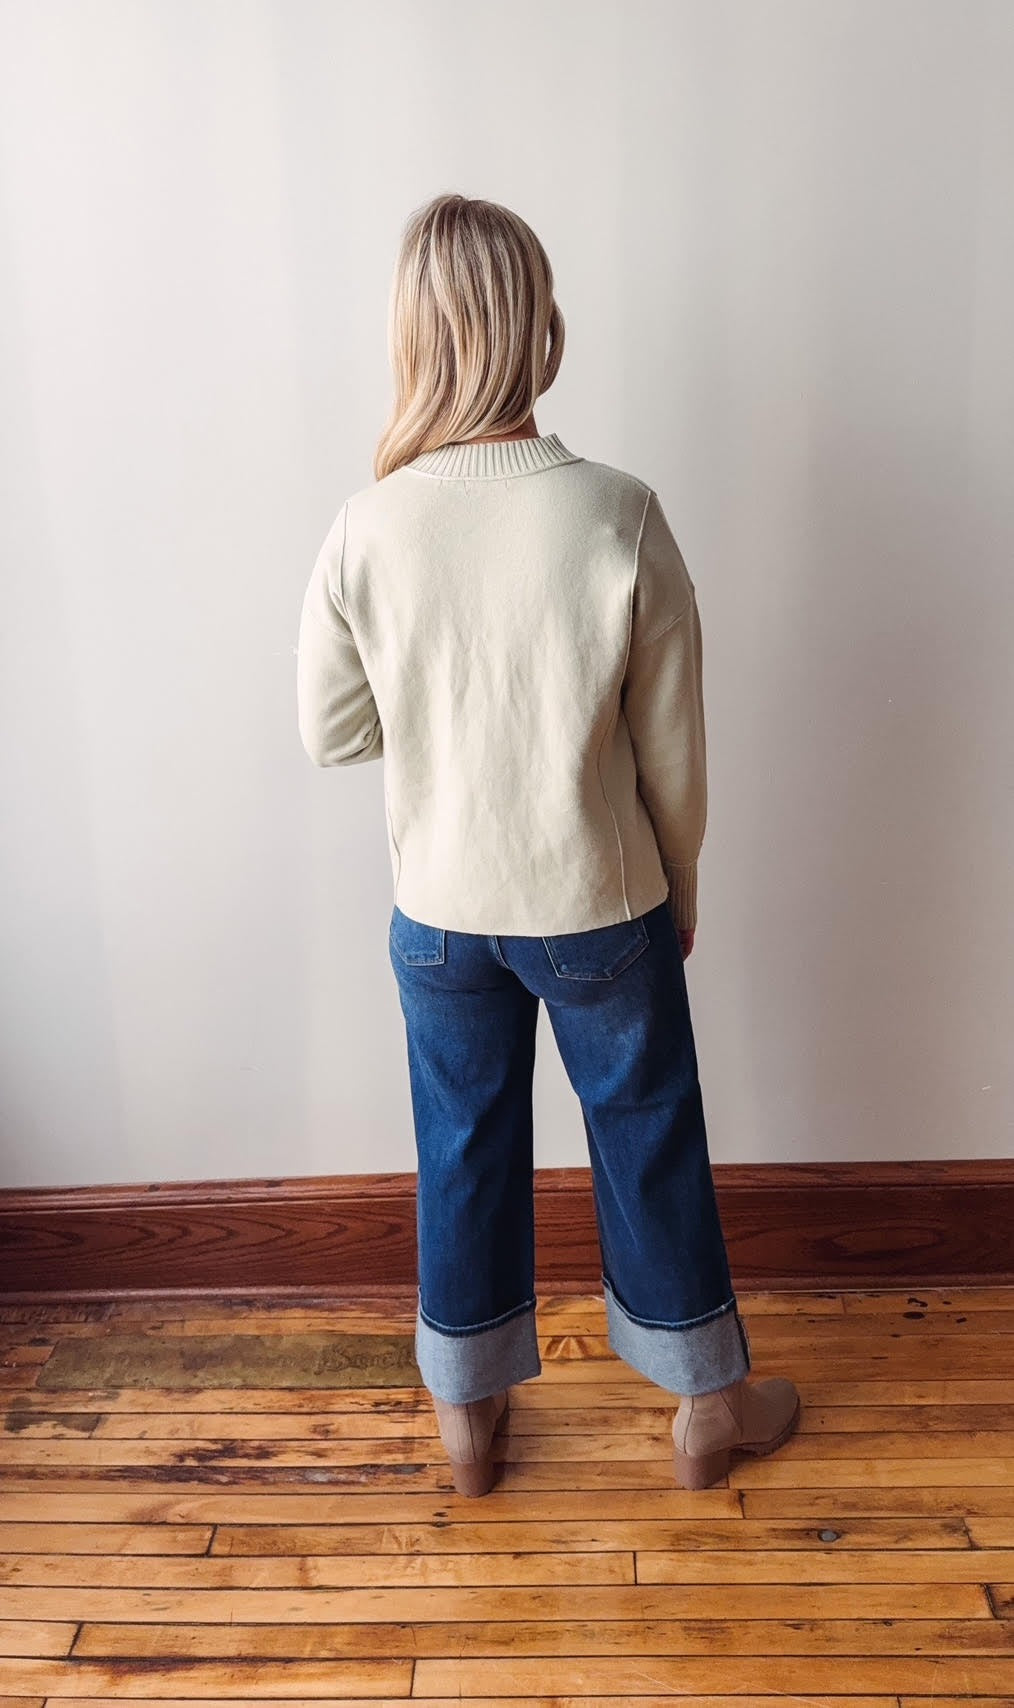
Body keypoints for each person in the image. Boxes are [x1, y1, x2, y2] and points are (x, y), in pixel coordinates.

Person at [296, 191, 800, 1495]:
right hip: (597, 903)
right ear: (544, 329)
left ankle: (468, 1418)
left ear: (413, 336)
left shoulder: (369, 524)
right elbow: (673, 752)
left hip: (438, 909)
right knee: (646, 1136)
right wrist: (678, 889)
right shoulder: (615, 512)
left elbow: (329, 730)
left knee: (461, 1145)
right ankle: (706, 1404)